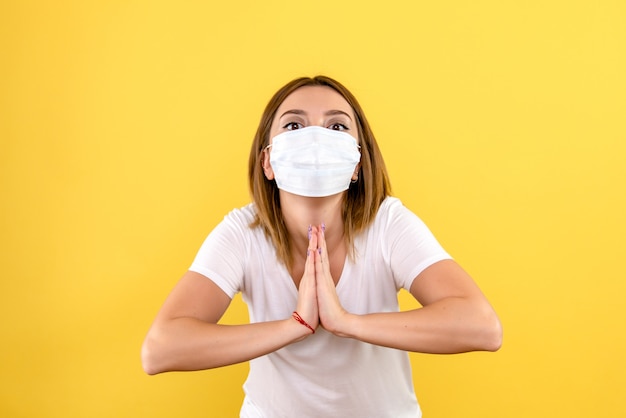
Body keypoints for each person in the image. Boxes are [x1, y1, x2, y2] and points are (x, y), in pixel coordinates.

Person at [141, 75, 502, 417]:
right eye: (294, 125)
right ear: (268, 161)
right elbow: (160, 349)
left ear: (357, 163)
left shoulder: (388, 223)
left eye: (337, 126)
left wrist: (346, 322)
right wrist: (295, 325)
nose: (315, 138)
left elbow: (482, 327)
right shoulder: (242, 232)